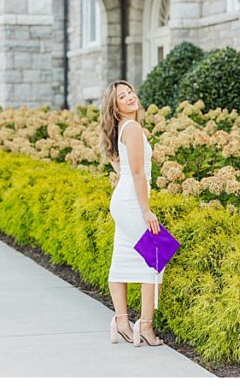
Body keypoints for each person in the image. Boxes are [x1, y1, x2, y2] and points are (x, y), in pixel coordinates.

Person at [99, 80, 164, 347]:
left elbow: (120, 166)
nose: (129, 97)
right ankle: (145, 327)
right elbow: (137, 173)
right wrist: (146, 210)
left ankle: (122, 322)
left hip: (123, 199)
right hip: (131, 202)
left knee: (123, 255)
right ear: (115, 108)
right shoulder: (133, 127)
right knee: (157, 255)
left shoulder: (121, 129)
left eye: (130, 92)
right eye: (122, 96)